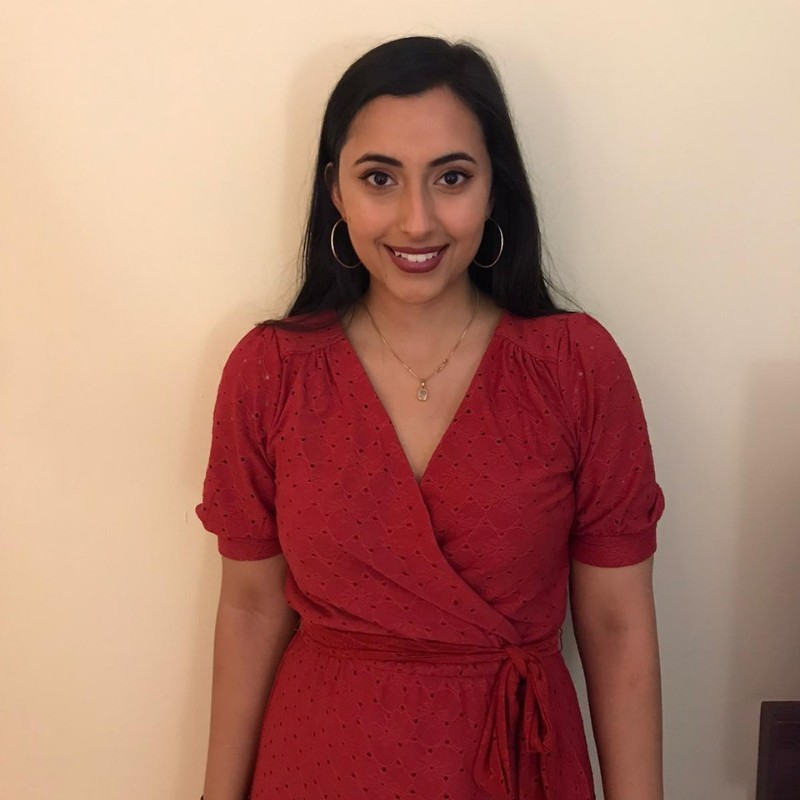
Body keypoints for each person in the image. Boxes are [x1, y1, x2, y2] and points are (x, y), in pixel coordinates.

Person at [195, 36, 665, 800]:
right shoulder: (270, 372)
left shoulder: (575, 366)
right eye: (379, 178)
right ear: (336, 191)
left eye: (451, 177)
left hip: (519, 771)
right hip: (318, 768)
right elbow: (250, 610)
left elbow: (617, 626)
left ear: (494, 188)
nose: (417, 221)